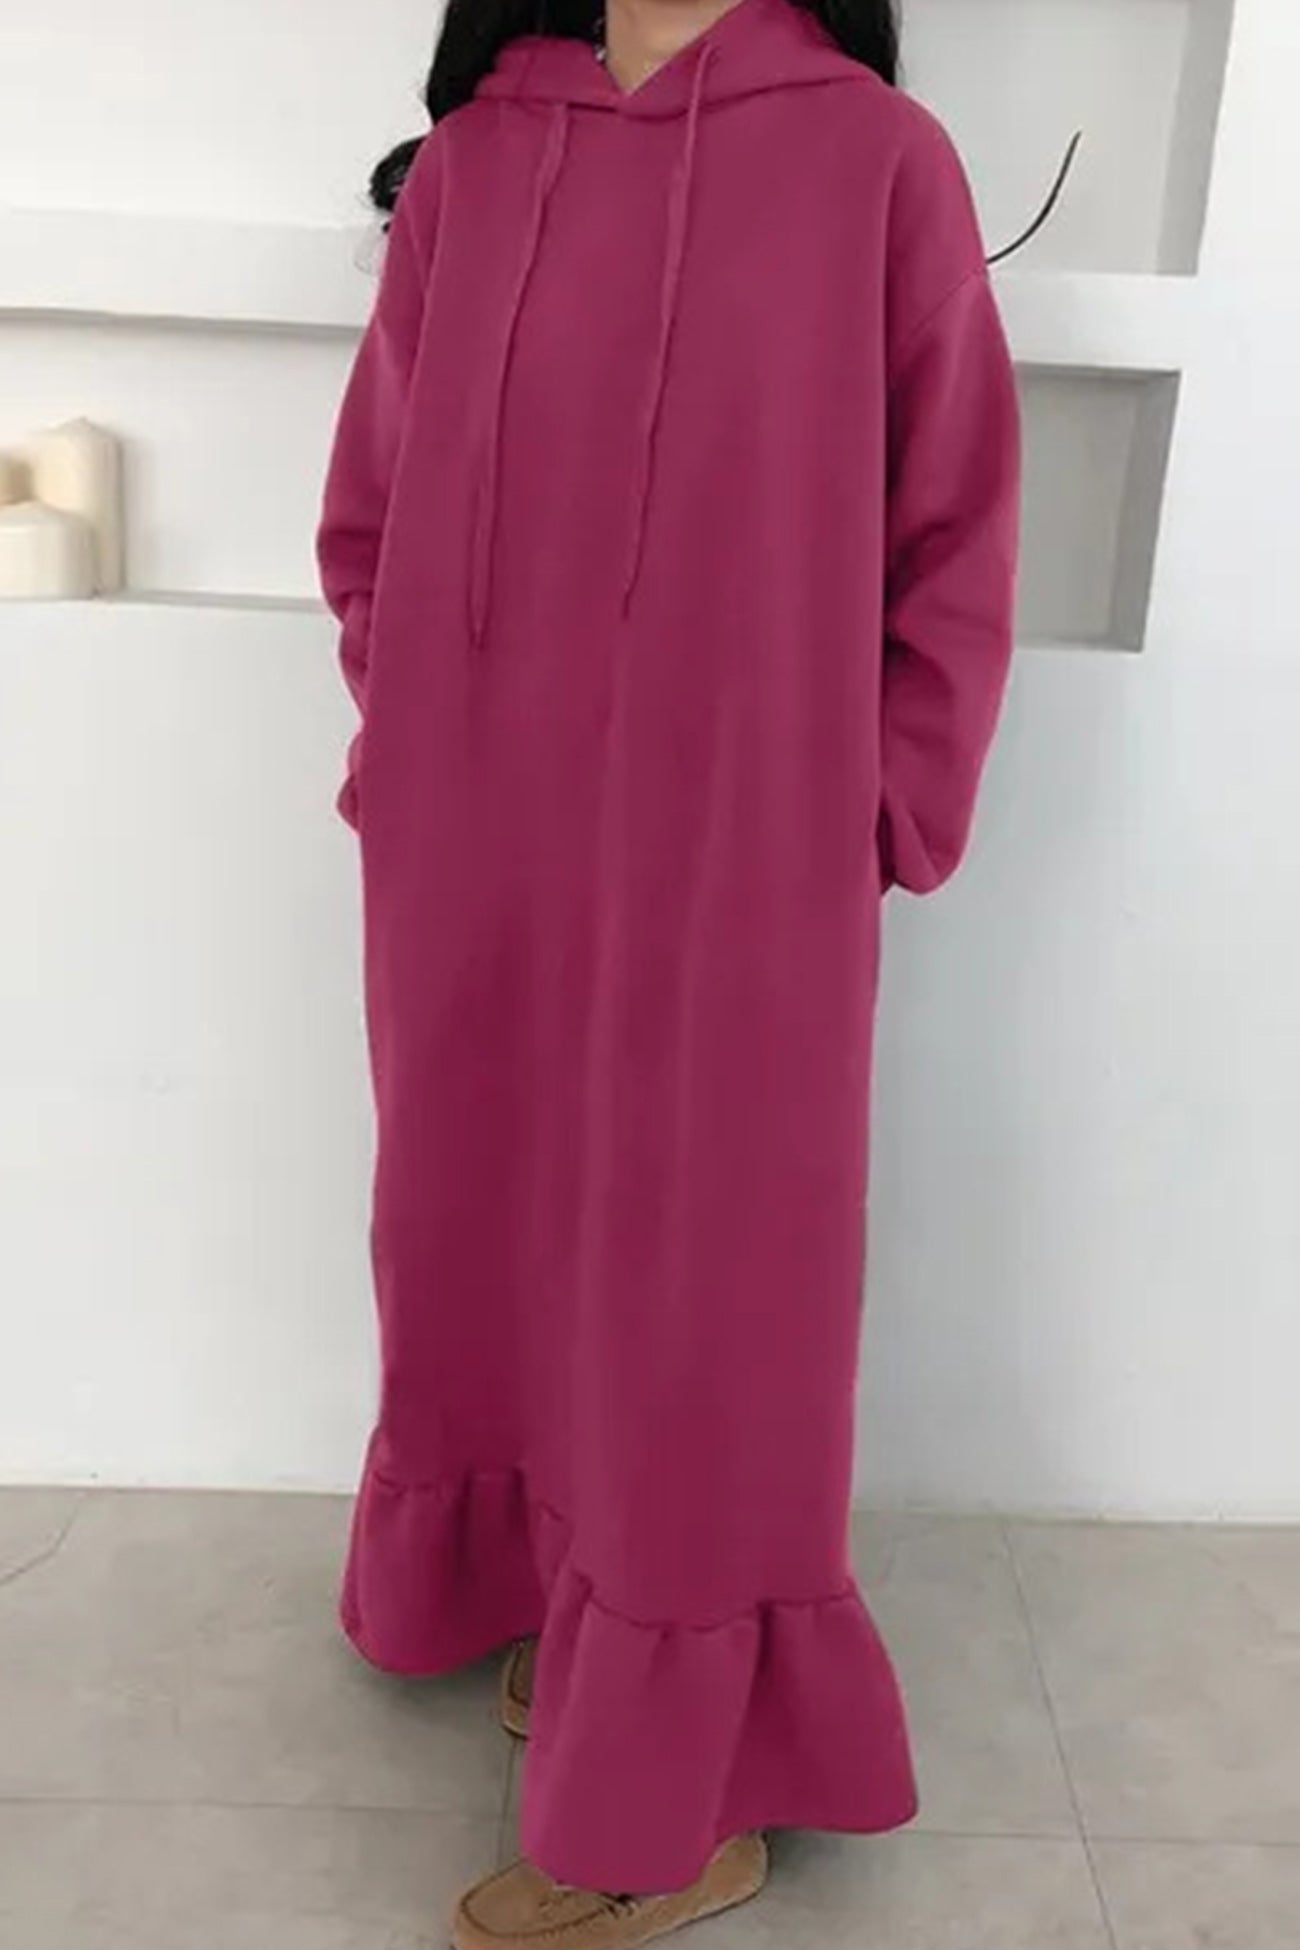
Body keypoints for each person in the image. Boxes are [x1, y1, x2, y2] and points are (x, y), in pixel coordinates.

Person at [316, 0, 1019, 1942]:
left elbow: (955, 528)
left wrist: (868, 811)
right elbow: (372, 505)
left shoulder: (876, 163)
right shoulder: (474, 168)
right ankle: (555, 1592)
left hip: (739, 860)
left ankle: (682, 1787)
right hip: (474, 847)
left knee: (708, 1295)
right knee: (472, 1236)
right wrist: (412, 735)